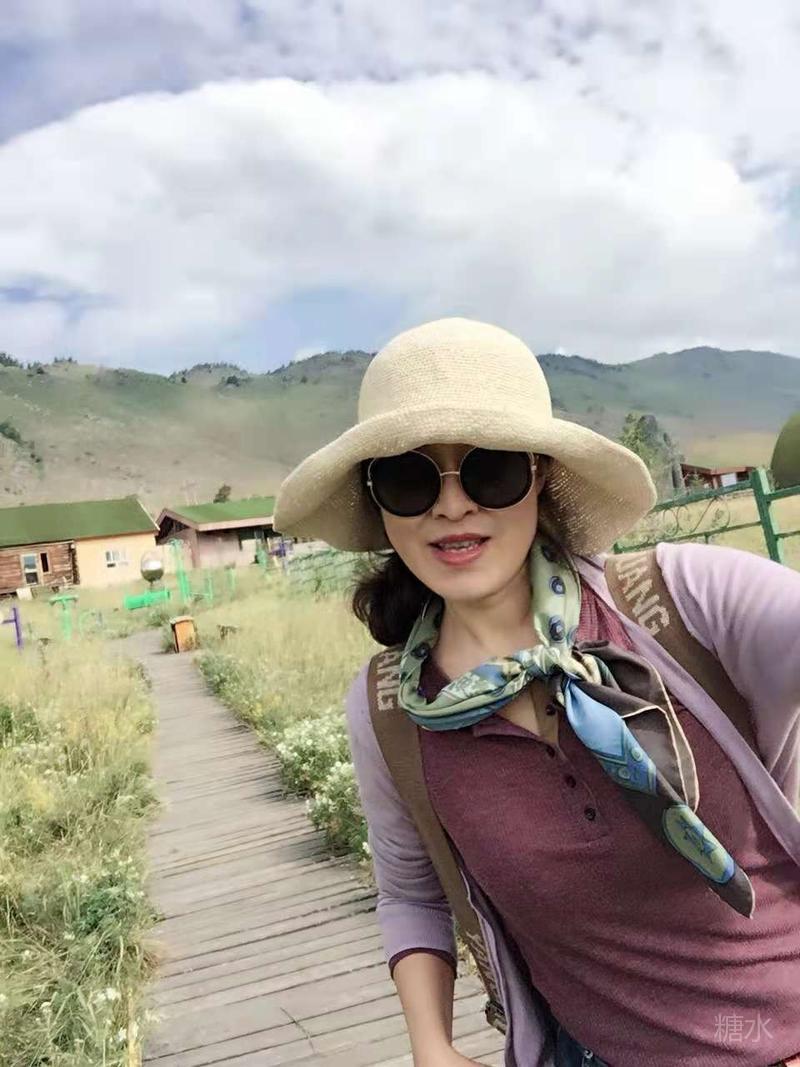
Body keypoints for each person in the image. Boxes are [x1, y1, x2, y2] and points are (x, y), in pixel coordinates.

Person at [273, 318, 800, 1067]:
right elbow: (411, 892)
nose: (452, 507)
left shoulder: (686, 601)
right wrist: (431, 1044)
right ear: (378, 504)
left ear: (541, 474)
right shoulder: (391, 707)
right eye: (409, 479)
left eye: (489, 469)